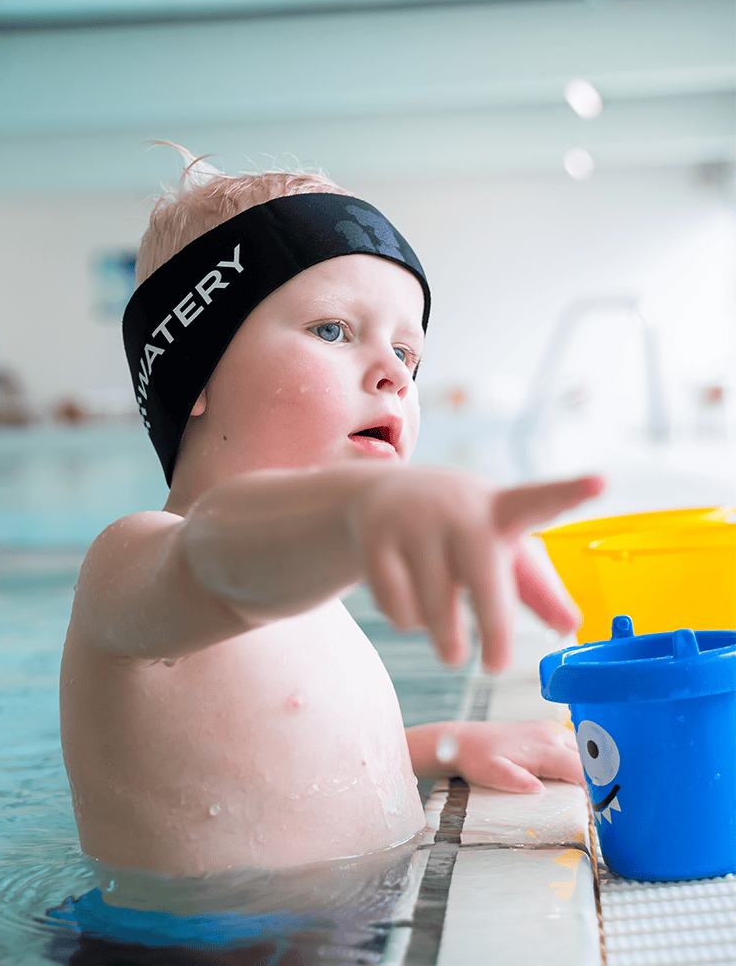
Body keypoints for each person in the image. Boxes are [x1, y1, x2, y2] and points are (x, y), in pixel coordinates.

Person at [57, 149, 599, 896]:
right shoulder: (134, 563)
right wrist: (369, 513)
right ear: (197, 372)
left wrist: (441, 743)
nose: (395, 372)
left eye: (408, 350)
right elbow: (212, 560)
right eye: (333, 330)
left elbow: (282, 769)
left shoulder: (308, 590)